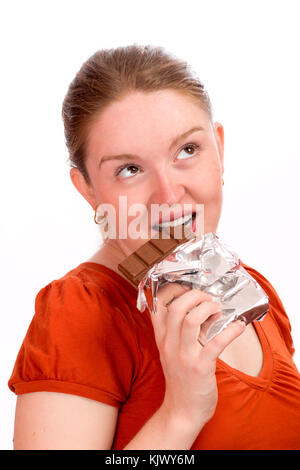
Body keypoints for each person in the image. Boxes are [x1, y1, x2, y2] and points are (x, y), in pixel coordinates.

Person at [8, 44, 300, 450]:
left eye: (187, 150)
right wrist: (181, 414)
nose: (168, 196)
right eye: (130, 169)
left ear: (219, 150)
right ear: (88, 191)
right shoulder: (81, 312)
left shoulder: (257, 294)